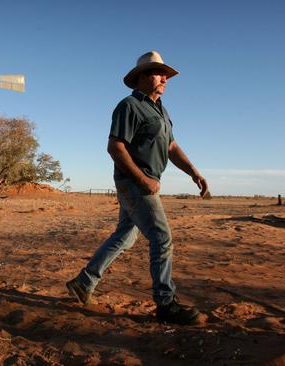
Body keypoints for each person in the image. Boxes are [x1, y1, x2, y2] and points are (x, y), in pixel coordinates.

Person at [66, 51, 209, 325]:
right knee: (162, 238)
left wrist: (194, 172)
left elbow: (171, 147)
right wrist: (142, 180)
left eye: (166, 74)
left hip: (143, 183)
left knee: (125, 236)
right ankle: (166, 304)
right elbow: (115, 147)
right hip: (135, 183)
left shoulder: (161, 110)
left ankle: (84, 283)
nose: (165, 78)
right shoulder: (129, 106)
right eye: (159, 73)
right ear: (141, 78)